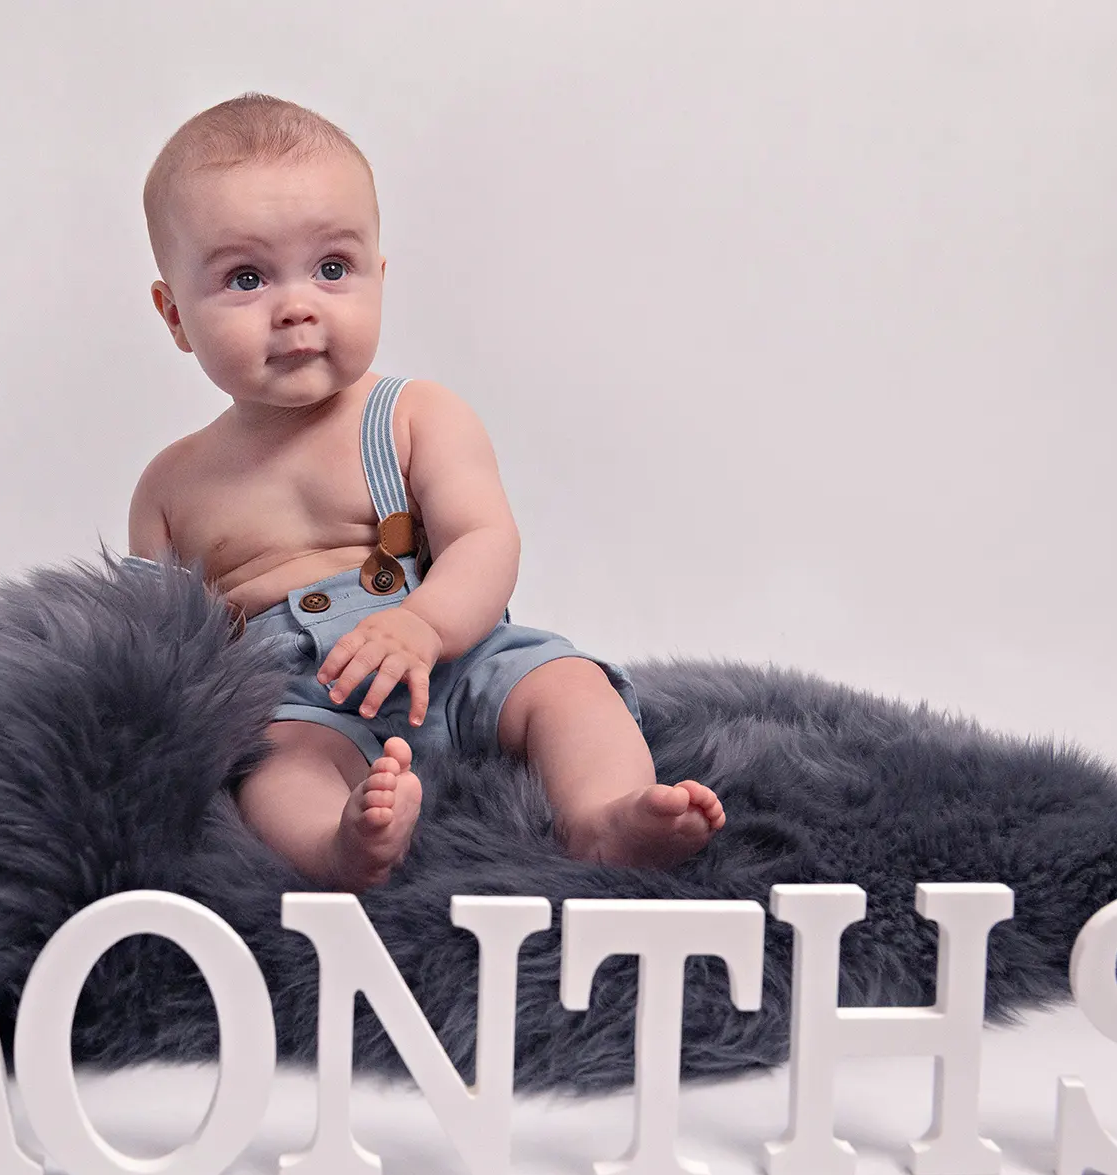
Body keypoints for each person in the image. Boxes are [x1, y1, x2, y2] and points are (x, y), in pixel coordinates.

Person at [127, 92, 724, 892]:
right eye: (246, 278)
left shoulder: (412, 416)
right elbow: (158, 647)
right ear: (174, 316)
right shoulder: (172, 485)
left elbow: (485, 541)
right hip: (310, 702)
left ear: (379, 275)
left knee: (567, 685)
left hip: (463, 657)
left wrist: (422, 624)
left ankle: (605, 813)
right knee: (275, 769)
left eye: (331, 268)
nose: (297, 305)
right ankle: (342, 844)